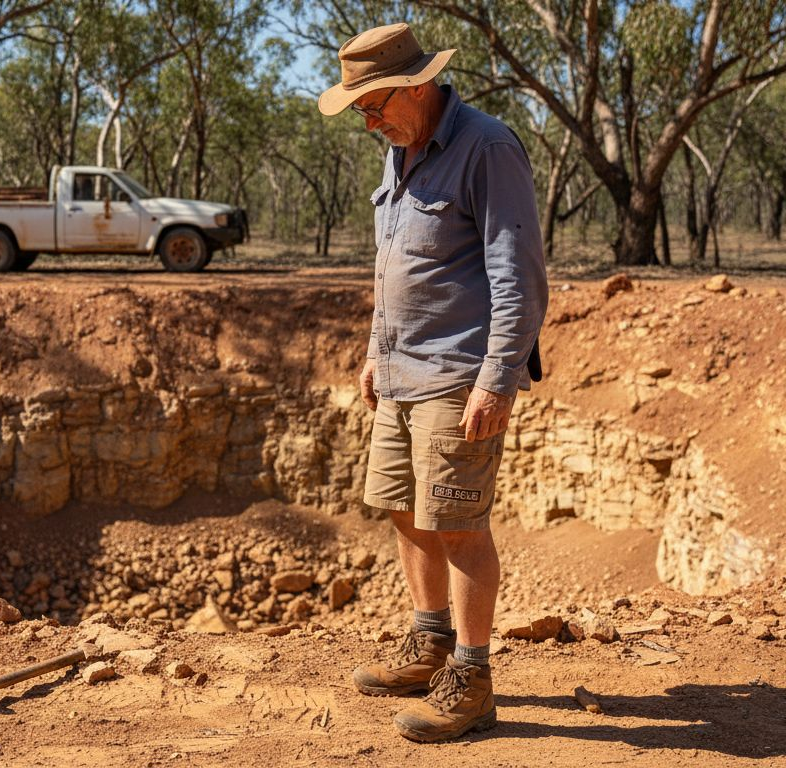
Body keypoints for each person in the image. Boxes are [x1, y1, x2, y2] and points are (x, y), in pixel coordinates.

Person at [317, 22, 548, 742]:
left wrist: (497, 380)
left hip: (458, 374)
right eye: (359, 107)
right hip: (400, 372)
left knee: (458, 525)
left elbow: (519, 278)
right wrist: (373, 352)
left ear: (416, 86)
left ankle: (472, 681)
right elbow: (396, 263)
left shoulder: (486, 147)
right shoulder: (400, 152)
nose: (368, 118)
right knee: (403, 510)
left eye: (374, 103)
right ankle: (429, 644)